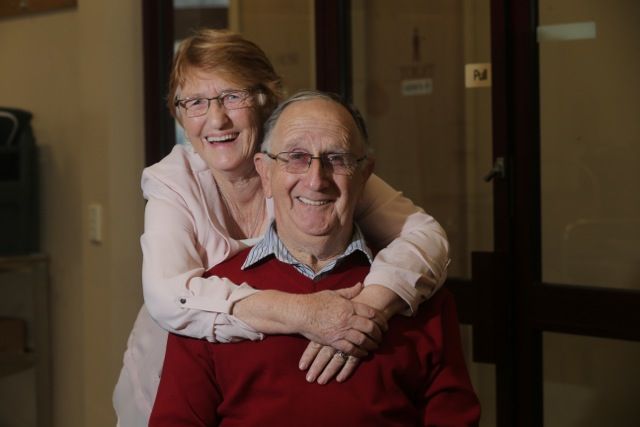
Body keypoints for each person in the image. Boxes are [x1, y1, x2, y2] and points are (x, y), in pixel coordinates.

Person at [114, 29, 450, 426]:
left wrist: (363, 311)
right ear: (178, 114)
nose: (216, 118)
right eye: (196, 102)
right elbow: (169, 296)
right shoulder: (173, 180)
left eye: (233, 96)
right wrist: (308, 314)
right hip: (175, 365)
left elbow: (426, 237)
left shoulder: (307, 163)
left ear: (265, 99)